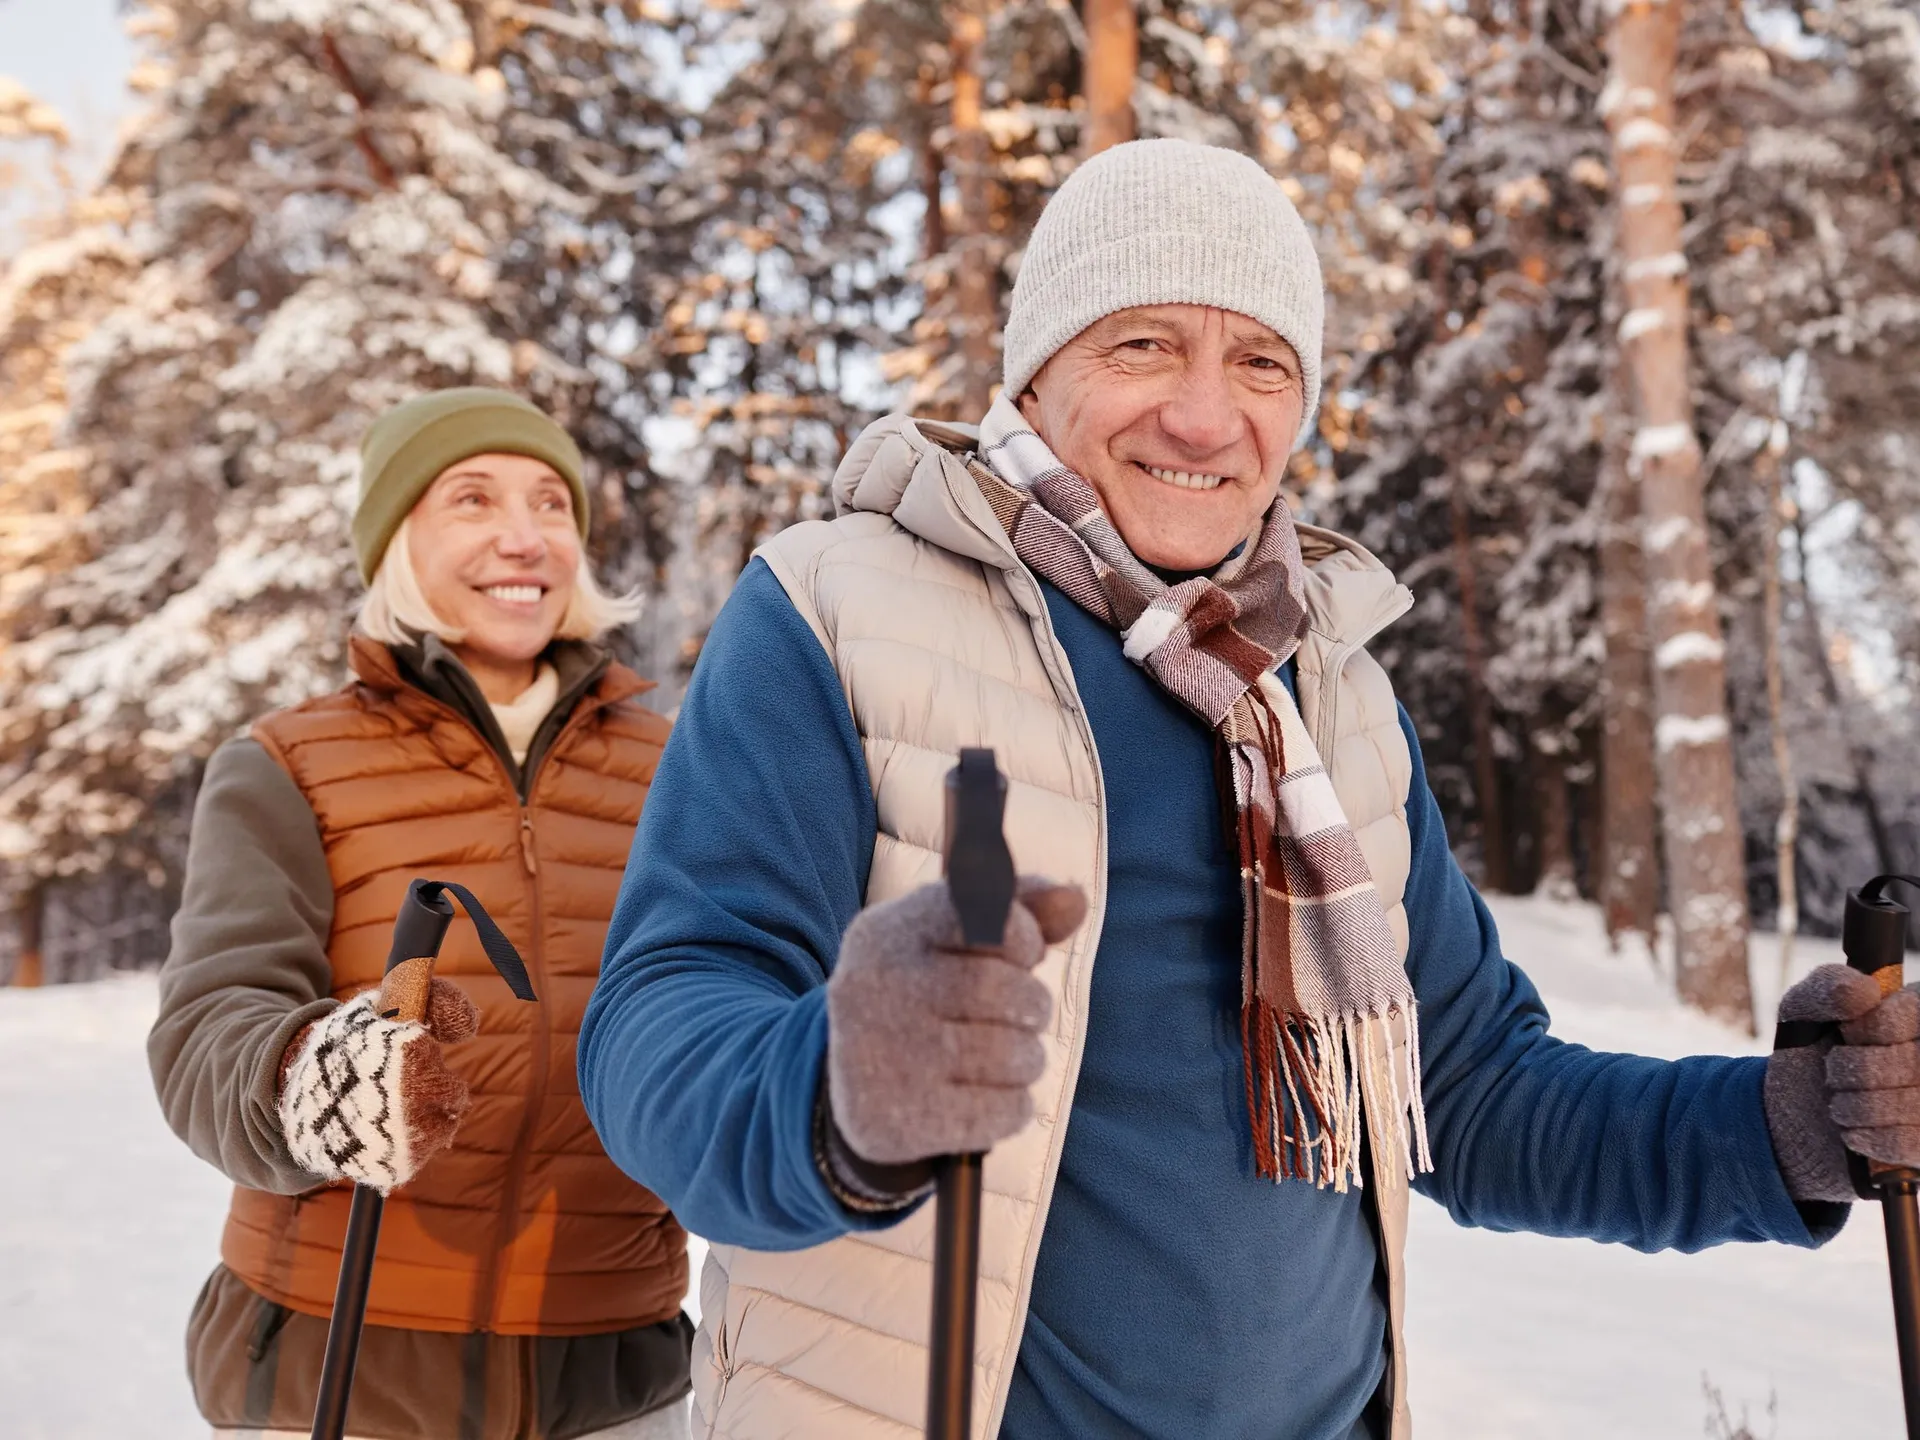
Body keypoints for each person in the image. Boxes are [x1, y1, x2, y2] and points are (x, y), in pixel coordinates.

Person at [577, 140, 1920, 1439]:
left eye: (1260, 361)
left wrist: (1791, 1125)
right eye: (1143, 343)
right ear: (1038, 374)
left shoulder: (1322, 691)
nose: (1207, 416)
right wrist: (837, 1091)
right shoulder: (834, 610)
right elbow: (659, 1027)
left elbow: (1468, 1092)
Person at [151, 388, 692, 1440]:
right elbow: (205, 1031)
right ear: (397, 538)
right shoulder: (286, 766)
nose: (524, 536)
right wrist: (313, 1075)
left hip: (612, 1369)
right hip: (343, 1362)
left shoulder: (677, 771)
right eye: (472, 499)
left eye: (552, 504)